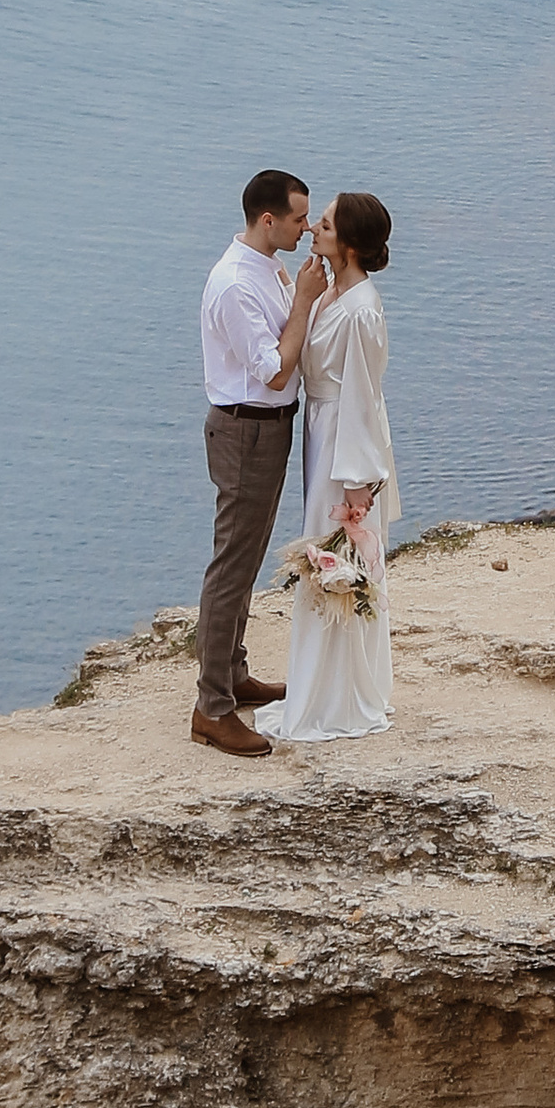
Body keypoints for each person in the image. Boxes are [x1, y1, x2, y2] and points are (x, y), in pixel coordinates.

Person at [193, 168, 325, 759]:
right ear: (267, 219)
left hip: (269, 429)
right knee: (231, 566)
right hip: (245, 429)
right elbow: (273, 368)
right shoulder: (234, 285)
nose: (306, 226)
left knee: (246, 560)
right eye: (299, 218)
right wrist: (302, 299)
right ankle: (211, 707)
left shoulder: (265, 268)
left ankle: (233, 674)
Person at [279, 191, 400, 745]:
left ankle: (339, 696)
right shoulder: (332, 292)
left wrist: (357, 487)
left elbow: (360, 396)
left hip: (341, 442)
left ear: (347, 244)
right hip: (321, 429)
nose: (312, 230)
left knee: (335, 552)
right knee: (320, 551)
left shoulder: (360, 309)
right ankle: (321, 685)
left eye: (323, 225)